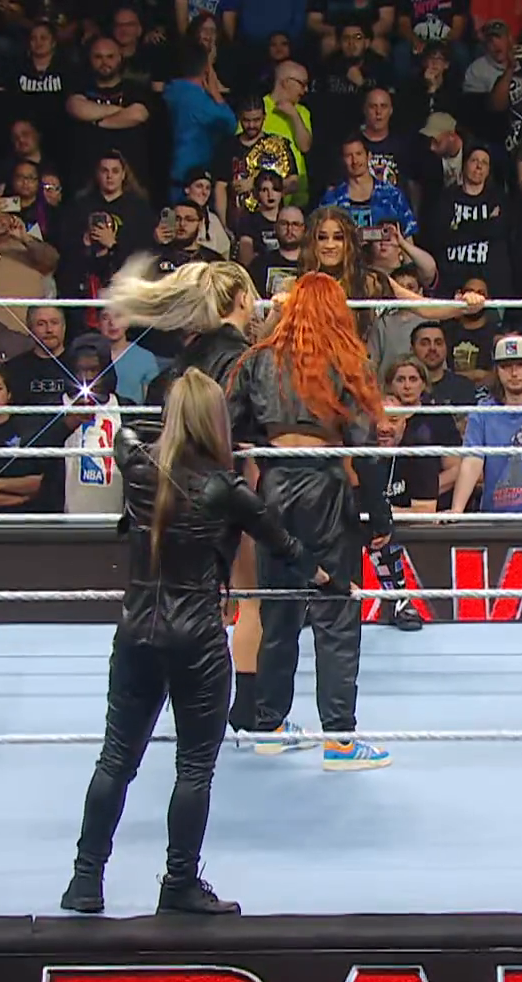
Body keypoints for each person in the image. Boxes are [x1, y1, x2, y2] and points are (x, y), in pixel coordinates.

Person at [61, 368, 333, 917]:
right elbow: (284, 546)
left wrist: (161, 433)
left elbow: (125, 435)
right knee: (193, 768)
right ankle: (179, 883)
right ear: (215, 422)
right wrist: (331, 579)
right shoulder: (224, 489)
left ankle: (85, 881)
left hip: (137, 632)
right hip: (198, 641)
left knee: (116, 759)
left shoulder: (140, 466)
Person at [223, 272, 396, 771]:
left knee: (278, 608)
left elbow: (230, 428)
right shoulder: (344, 359)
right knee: (335, 612)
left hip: (274, 486)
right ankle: (339, 740)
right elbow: (364, 444)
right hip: (324, 486)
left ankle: (270, 725)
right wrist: (379, 515)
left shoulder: (258, 361)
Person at [110, 258, 271, 737]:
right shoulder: (242, 356)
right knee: (249, 598)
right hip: (226, 482)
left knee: (195, 595)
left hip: (174, 489)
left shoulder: (189, 354)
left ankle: (184, 701)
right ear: (240, 299)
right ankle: (247, 711)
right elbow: (246, 423)